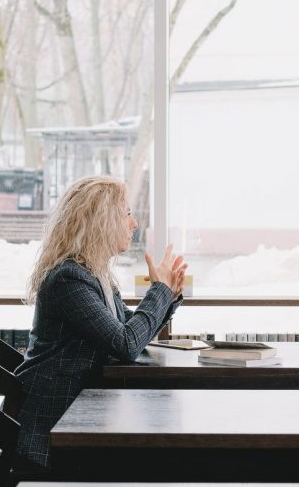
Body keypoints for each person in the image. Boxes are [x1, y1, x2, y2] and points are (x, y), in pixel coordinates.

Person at [14, 175, 187, 469]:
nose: (134, 224)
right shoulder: (69, 278)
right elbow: (126, 343)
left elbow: (129, 328)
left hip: (83, 412)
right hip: (52, 423)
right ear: (101, 221)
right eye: (127, 213)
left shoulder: (94, 274)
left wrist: (168, 296)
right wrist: (159, 291)